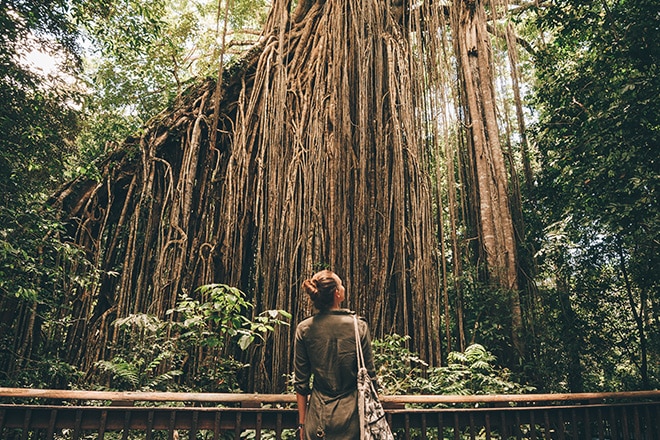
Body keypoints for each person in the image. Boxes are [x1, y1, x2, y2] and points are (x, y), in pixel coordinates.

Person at [294, 270, 377, 440]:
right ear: (337, 293)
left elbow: (301, 385)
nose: (343, 286)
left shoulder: (304, 329)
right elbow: (371, 377)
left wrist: (302, 424)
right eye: (340, 284)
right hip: (353, 421)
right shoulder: (358, 326)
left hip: (317, 421)